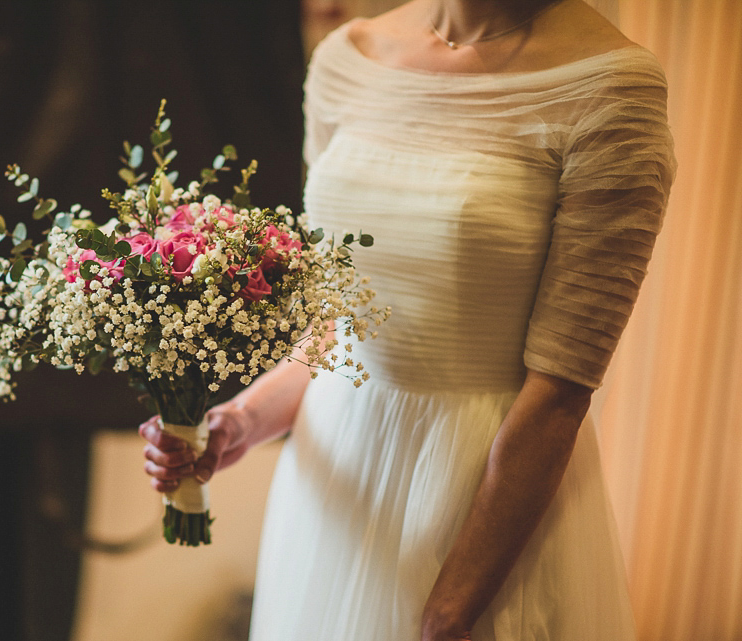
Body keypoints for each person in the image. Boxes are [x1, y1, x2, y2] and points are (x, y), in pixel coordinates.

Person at [139, 0, 675, 639]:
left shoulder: (611, 87)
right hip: (334, 483)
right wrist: (241, 421)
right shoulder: (349, 56)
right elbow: (335, 326)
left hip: (479, 493)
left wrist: (451, 609)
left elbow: (561, 389)